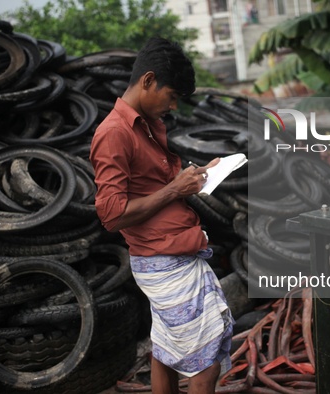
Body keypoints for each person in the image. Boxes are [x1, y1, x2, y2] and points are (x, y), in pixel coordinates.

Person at [89, 37, 233, 394]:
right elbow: (112, 215)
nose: (172, 106)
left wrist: (196, 178)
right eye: (171, 96)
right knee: (205, 362)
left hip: (171, 252)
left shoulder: (148, 124)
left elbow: (153, 185)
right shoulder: (114, 134)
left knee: (166, 352)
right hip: (163, 259)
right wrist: (174, 190)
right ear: (148, 80)